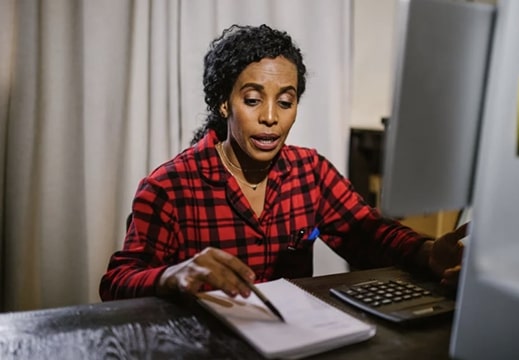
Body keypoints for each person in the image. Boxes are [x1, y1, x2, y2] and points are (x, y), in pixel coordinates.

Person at [99, 24, 467, 302]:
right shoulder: (169, 186)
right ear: (224, 104)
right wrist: (172, 275)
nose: (271, 117)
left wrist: (428, 251)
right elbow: (116, 282)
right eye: (253, 99)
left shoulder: (310, 171)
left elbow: (369, 233)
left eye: (286, 102)